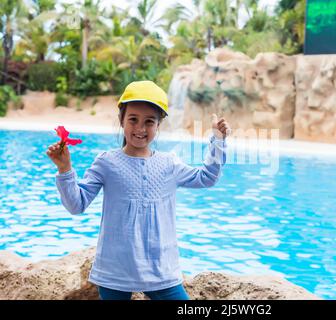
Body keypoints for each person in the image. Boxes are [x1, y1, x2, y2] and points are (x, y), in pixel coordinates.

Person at [46, 80, 231, 300]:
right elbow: (76, 205)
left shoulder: (169, 164)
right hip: (115, 272)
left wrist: (217, 142)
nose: (140, 128)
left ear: (158, 125)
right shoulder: (107, 163)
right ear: (121, 120)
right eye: (133, 119)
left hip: (161, 270)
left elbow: (207, 178)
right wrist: (65, 169)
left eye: (149, 121)